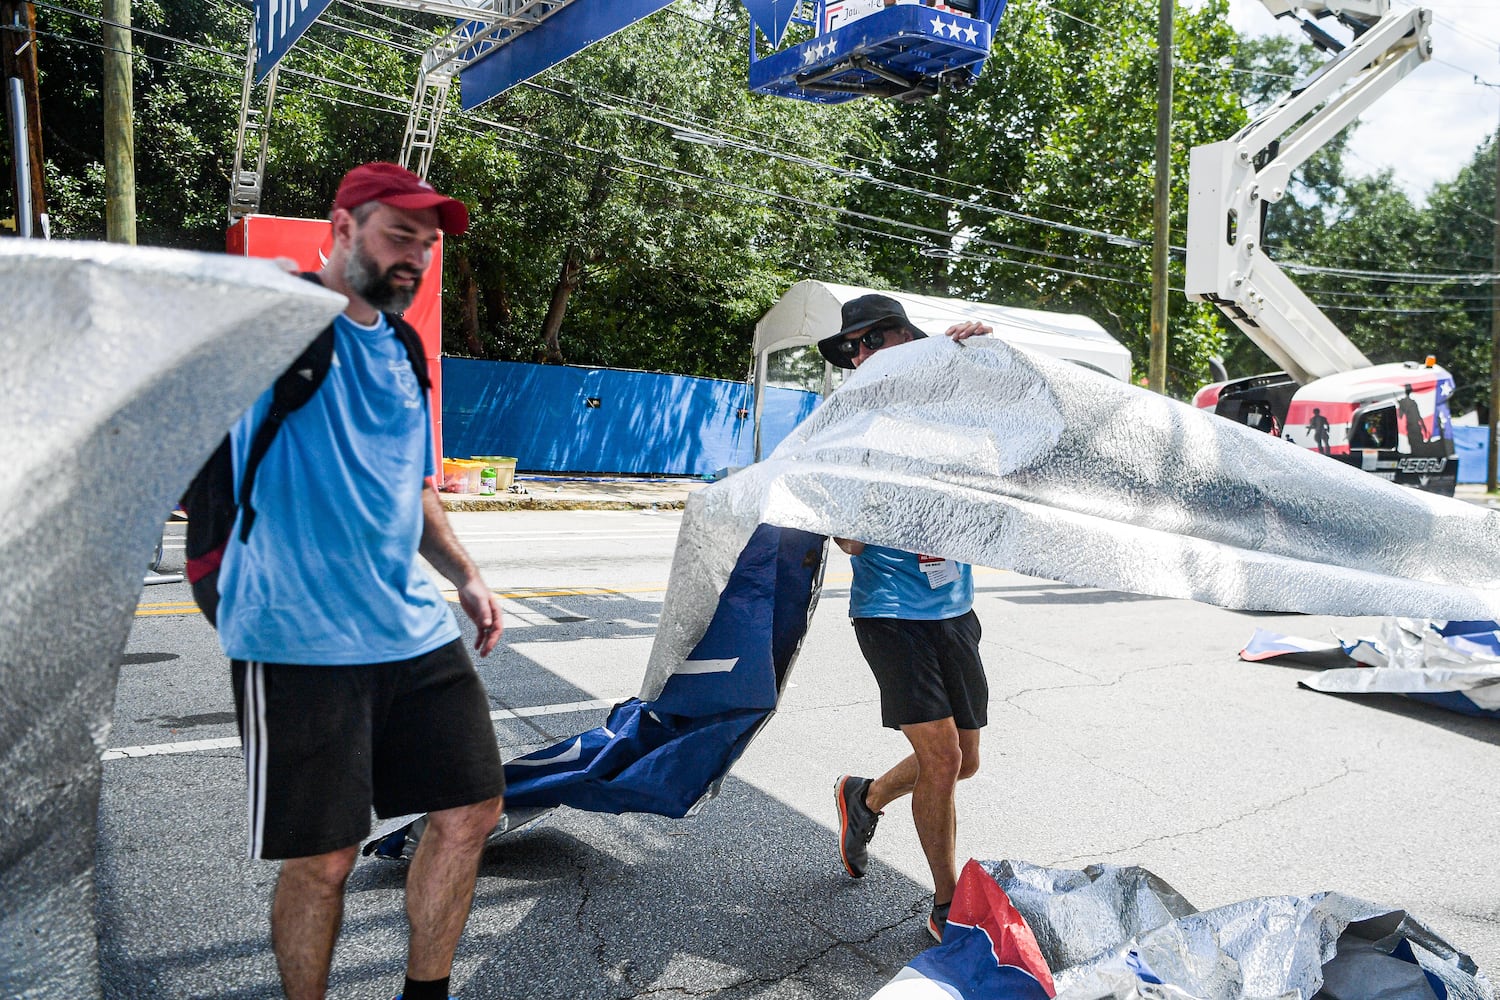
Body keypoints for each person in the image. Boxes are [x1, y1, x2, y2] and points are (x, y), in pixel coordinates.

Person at [215, 162, 506, 1000]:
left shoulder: (406, 349)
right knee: (325, 860)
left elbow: (411, 492)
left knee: (471, 811)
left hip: (410, 630)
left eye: (426, 242)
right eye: (396, 234)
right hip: (298, 635)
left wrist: (466, 576)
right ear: (341, 230)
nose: (414, 255)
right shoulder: (275, 327)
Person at [815, 293, 992, 944]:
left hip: (955, 609)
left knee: (966, 760)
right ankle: (947, 905)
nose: (856, 357)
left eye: (868, 342)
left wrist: (982, 357)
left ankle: (864, 797)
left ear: (906, 340)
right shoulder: (854, 426)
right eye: (849, 350)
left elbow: (1014, 430)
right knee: (942, 761)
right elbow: (851, 542)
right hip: (889, 614)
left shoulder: (948, 409)